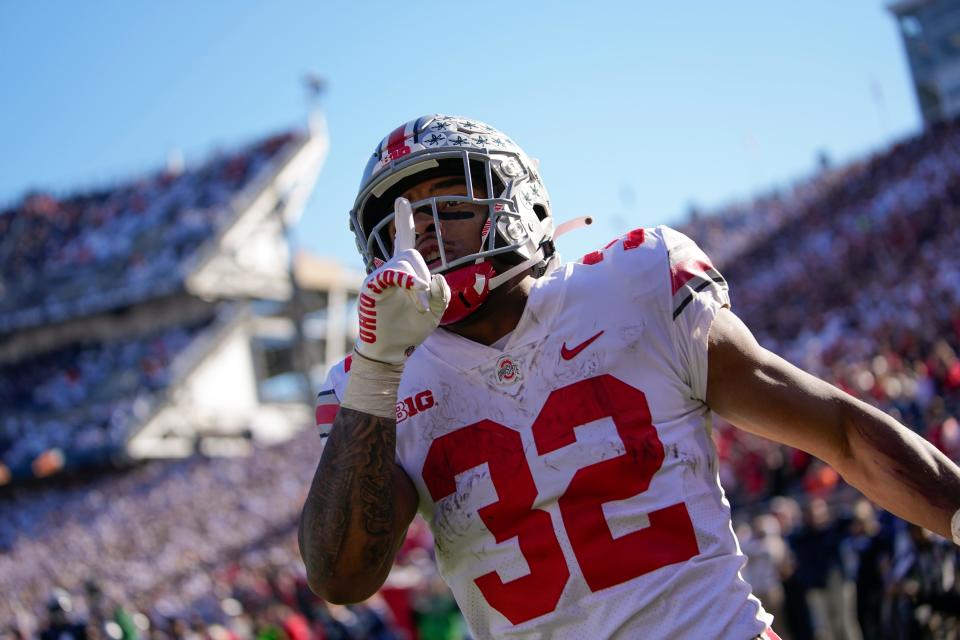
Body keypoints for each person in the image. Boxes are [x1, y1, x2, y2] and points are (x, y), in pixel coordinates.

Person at [298, 114, 960, 639]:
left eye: (448, 205)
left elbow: (838, 432)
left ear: (518, 203)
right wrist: (380, 368)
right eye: (403, 225)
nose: (425, 238)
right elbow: (342, 577)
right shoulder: (369, 383)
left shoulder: (634, 287)